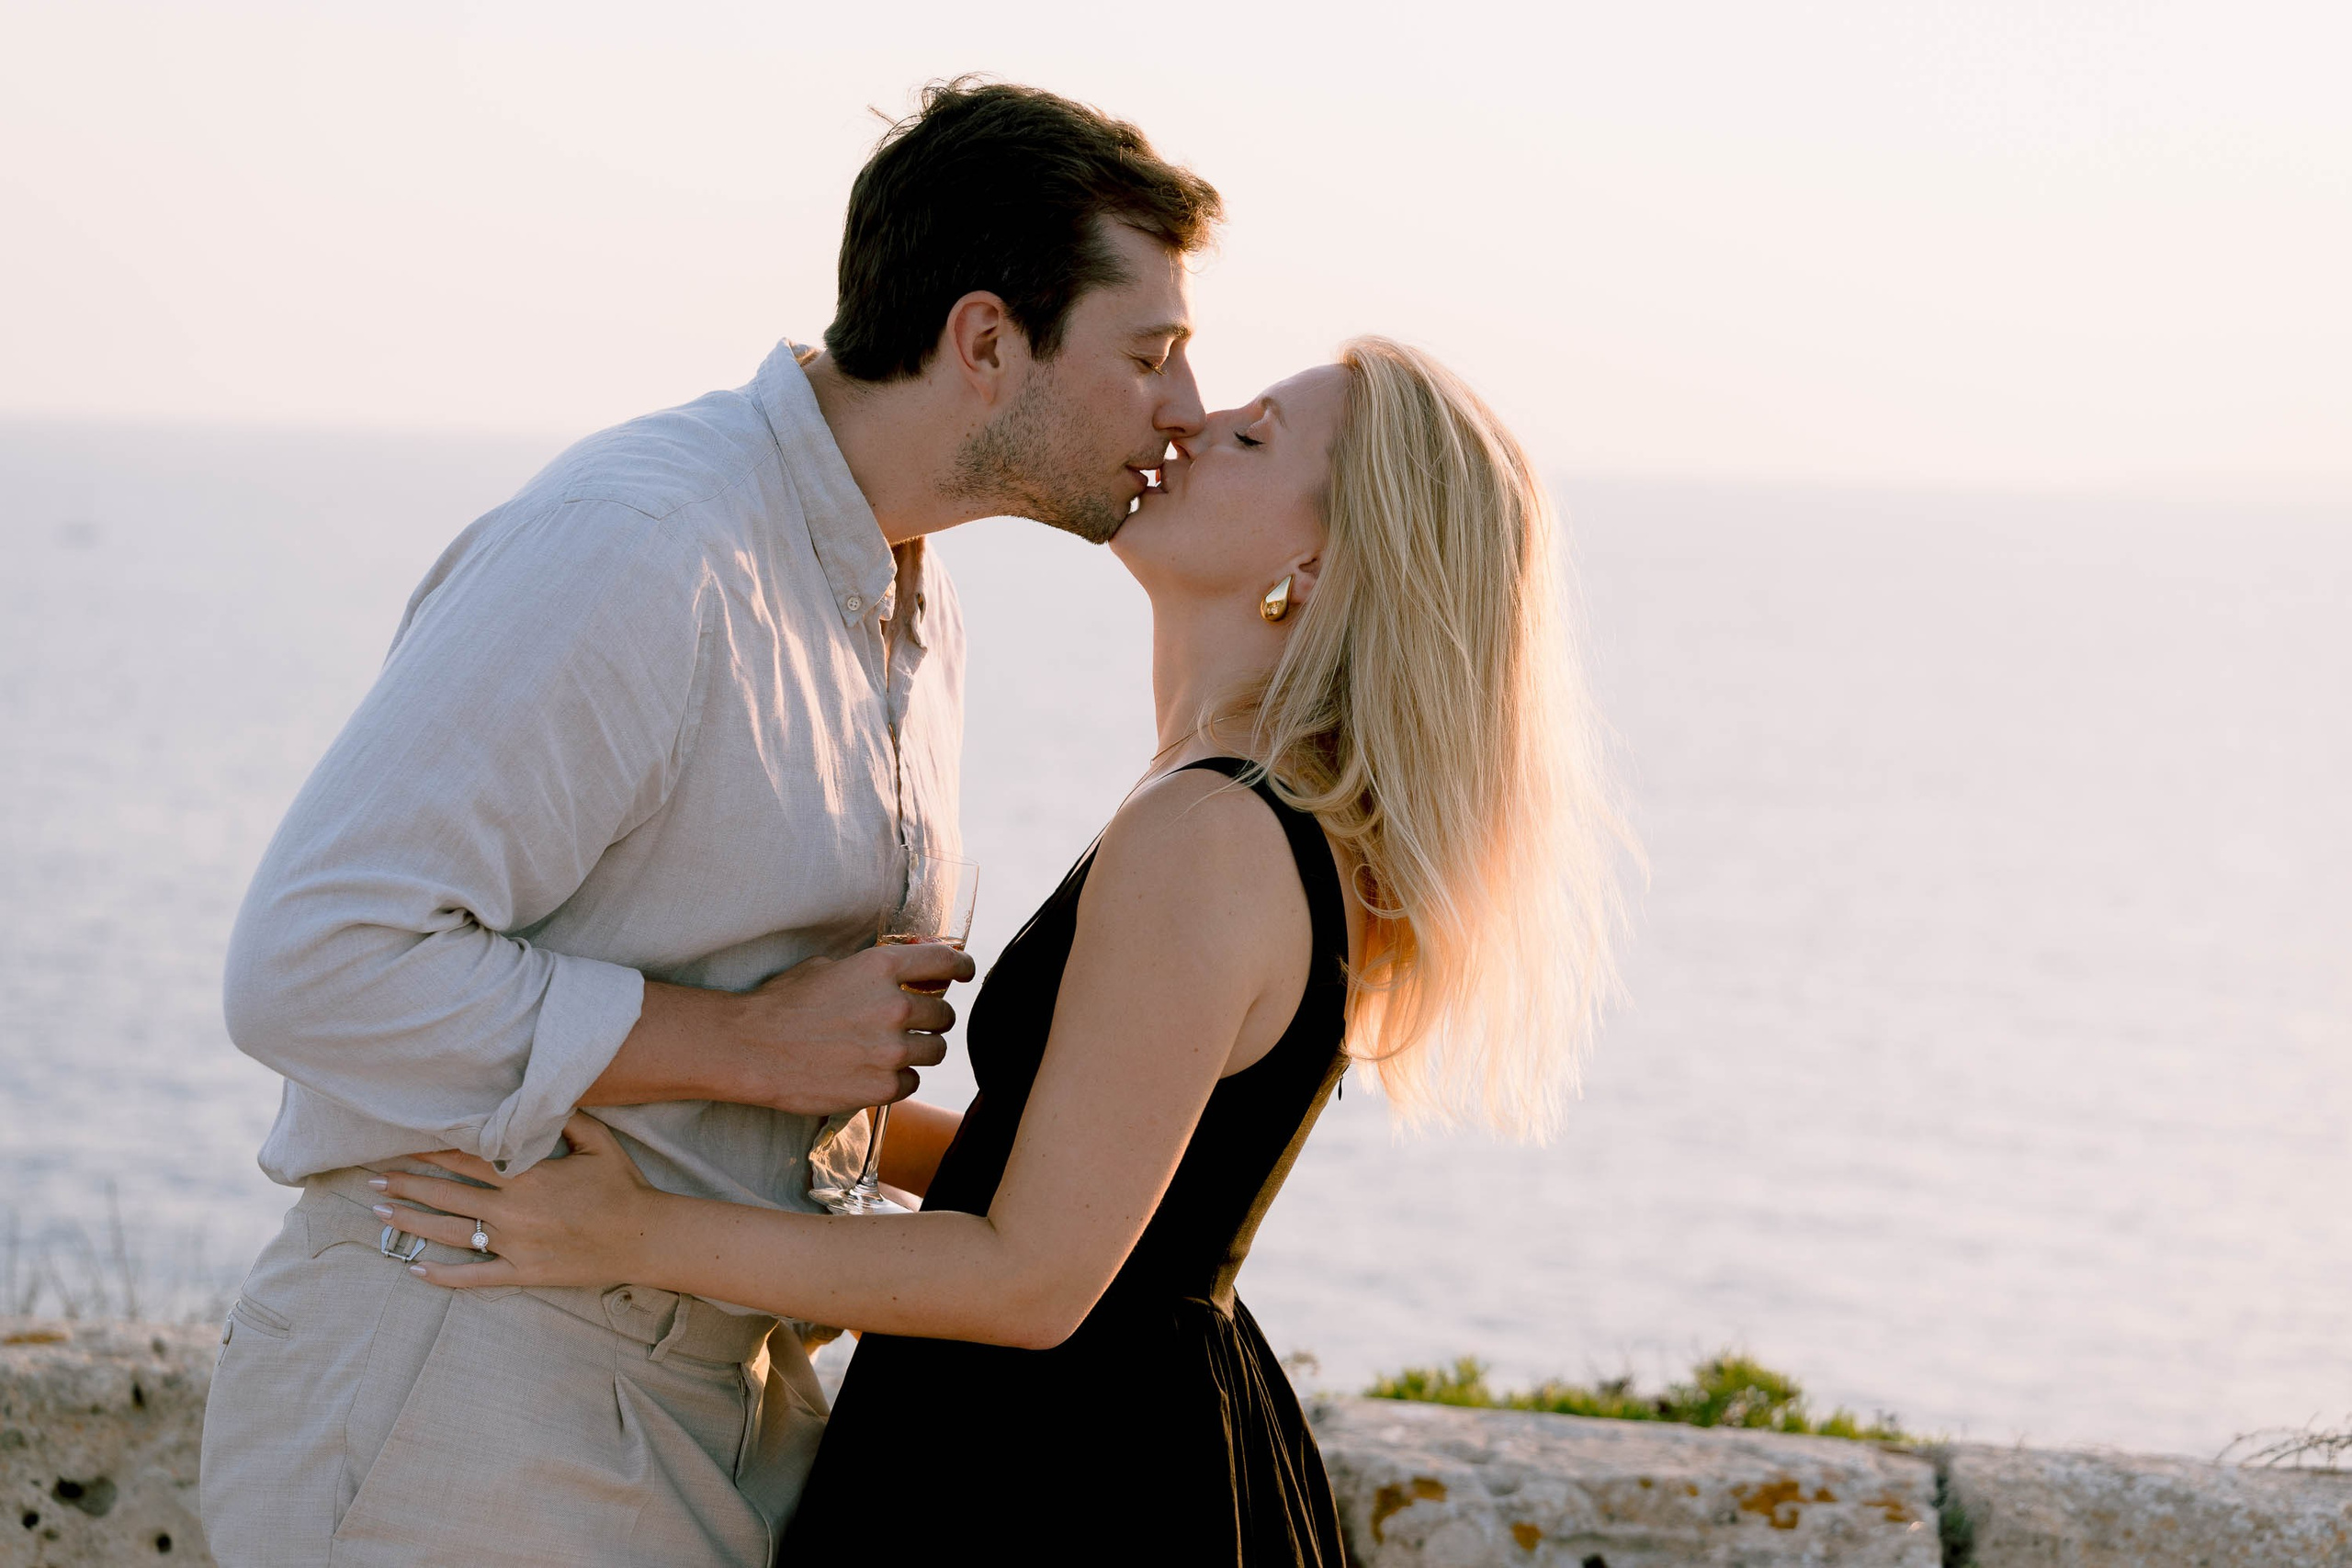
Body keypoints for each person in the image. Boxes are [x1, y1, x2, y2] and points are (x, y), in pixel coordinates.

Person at [364, 338, 1634, 1564]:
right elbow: (1079, 1184)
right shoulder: (1263, 818)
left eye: (1253, 437)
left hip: (1053, 1474)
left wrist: (628, 1233)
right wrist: (747, 1083)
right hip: (1113, 1438)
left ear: (1313, 567)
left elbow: (1029, 1279)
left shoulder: (1210, 833)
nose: (1194, 423)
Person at [198, 81, 1221, 1567]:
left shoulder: (911, 601)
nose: (1186, 410)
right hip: (471, 1382)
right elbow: (312, 965)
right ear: (988, 340)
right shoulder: (647, 544)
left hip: (718, 1405)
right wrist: (743, 1046)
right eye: (1151, 355)